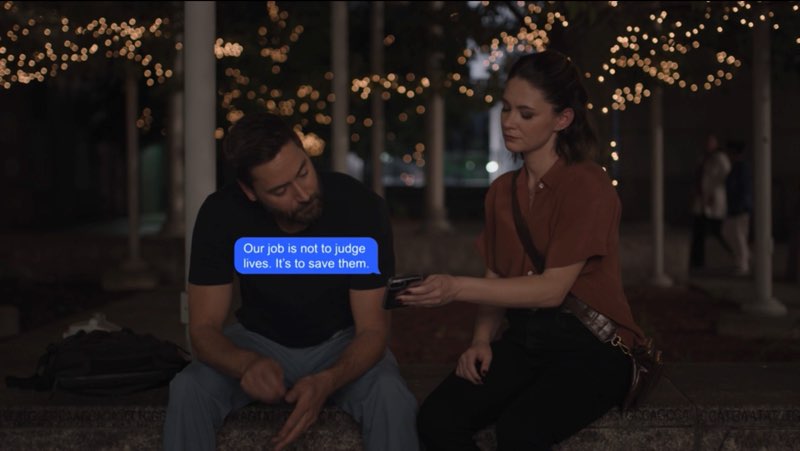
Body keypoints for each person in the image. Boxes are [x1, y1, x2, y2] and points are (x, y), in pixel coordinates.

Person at [399, 50, 645, 450]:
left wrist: (454, 287)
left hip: (592, 347)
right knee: (437, 420)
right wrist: (481, 339)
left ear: (562, 119)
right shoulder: (502, 191)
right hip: (528, 339)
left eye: (526, 114)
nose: (509, 122)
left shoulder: (587, 185)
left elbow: (551, 290)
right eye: (506, 109)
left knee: (519, 431)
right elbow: (498, 273)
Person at [163, 112, 419, 451]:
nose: (302, 194)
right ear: (249, 191)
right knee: (187, 389)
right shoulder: (221, 214)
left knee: (392, 397)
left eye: (304, 172)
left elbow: (373, 330)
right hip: (257, 341)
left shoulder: (359, 207)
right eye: (280, 190)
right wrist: (246, 365)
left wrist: (327, 381)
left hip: (342, 340)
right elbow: (203, 330)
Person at [690, 133, 733, 269]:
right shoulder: (704, 159)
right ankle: (697, 261)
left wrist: (713, 193)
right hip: (702, 200)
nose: (708, 145)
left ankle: (737, 255)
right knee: (699, 231)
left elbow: (724, 177)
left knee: (718, 230)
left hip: (713, 199)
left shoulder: (720, 158)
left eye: (710, 142)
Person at [723, 140, 753, 275]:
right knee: (730, 233)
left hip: (740, 207)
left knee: (738, 235)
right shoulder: (736, 167)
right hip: (735, 206)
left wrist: (742, 205)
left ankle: (743, 263)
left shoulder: (742, 168)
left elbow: (743, 188)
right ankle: (743, 257)